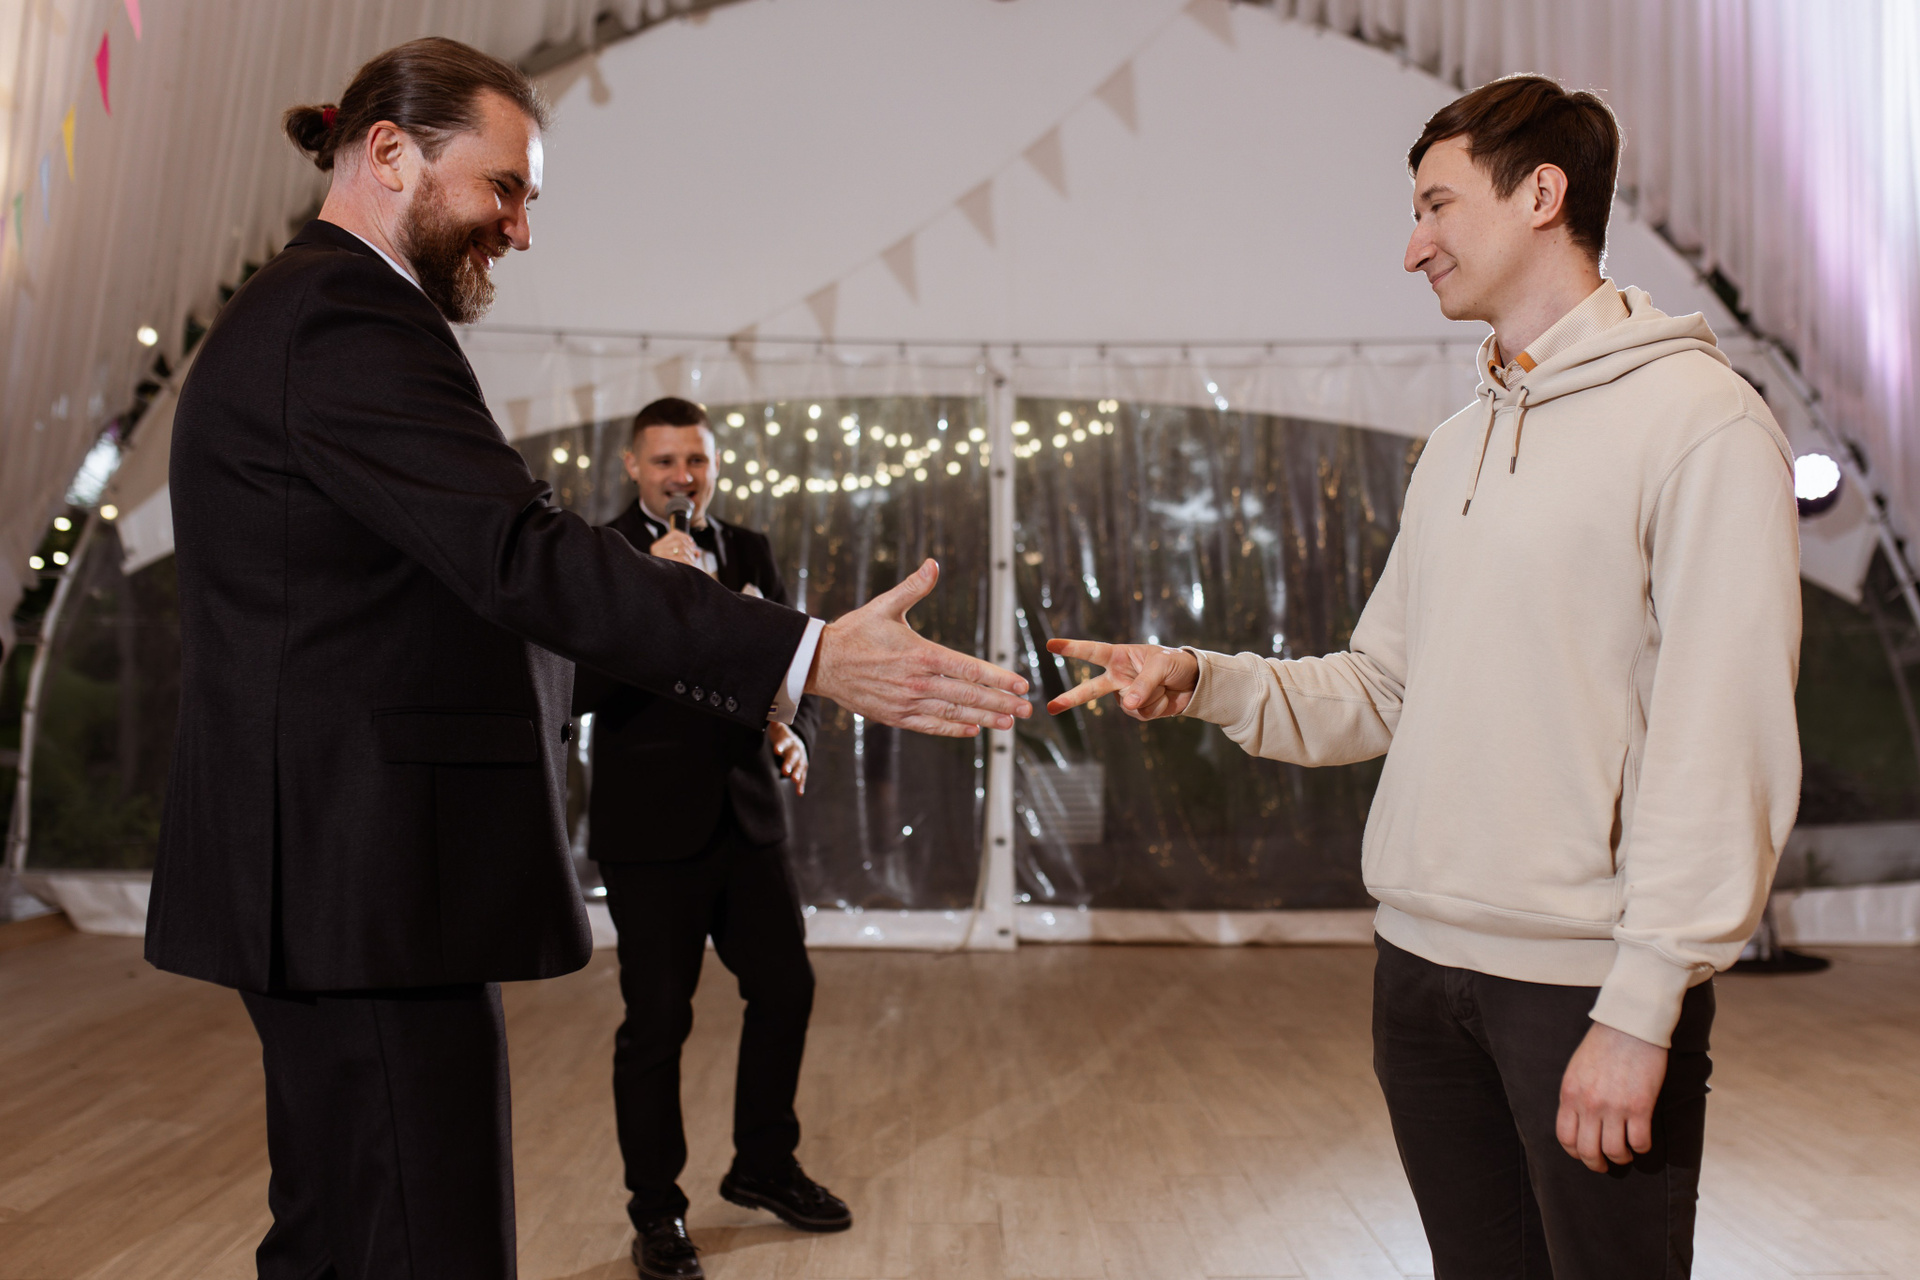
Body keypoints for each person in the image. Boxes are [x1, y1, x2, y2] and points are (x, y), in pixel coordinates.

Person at [144, 38, 1029, 1280]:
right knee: (422, 1245)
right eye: (504, 187)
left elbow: (432, 604)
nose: (518, 228)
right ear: (389, 152)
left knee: (339, 1236)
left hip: (336, 878)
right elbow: (517, 554)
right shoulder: (342, 316)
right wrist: (807, 651)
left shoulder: (316, 310)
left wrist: (717, 655)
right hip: (361, 882)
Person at [1047, 75, 1799, 1278]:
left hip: (1582, 987)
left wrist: (1644, 999)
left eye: (1437, 206)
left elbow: (1727, 734)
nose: (1414, 247)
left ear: (1542, 194)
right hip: (1419, 975)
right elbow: (1383, 686)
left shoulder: (1701, 423)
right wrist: (1201, 677)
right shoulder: (1456, 444)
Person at [571, 397, 839, 1279]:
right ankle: (657, 1211)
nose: (682, 477)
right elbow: (575, 692)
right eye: (664, 461)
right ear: (632, 468)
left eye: (696, 460)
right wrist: (644, 591)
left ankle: (763, 1163)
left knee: (787, 989)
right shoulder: (600, 552)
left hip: (747, 816)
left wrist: (792, 730)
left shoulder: (749, 550)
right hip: (649, 832)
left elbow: (786, 666)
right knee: (657, 1023)